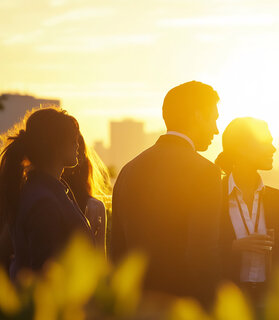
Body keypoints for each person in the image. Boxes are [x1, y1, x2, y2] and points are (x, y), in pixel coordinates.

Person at [110, 81, 222, 303]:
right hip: (182, 309)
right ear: (198, 116)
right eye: (214, 119)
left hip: (137, 309)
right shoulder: (205, 172)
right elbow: (202, 255)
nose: (216, 129)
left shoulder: (129, 170)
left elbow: (117, 253)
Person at [215, 117, 279, 300]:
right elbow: (195, 250)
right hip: (225, 301)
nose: (273, 148)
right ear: (241, 148)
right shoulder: (212, 198)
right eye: (266, 143)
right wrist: (233, 246)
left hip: (271, 302)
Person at [0, 108, 91, 280]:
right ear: (55, 146)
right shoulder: (43, 202)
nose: (78, 145)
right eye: (73, 141)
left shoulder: (47, 191)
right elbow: (43, 274)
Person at [62, 134, 110, 254]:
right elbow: (99, 259)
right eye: (73, 143)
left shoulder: (34, 194)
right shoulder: (94, 207)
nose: (76, 146)